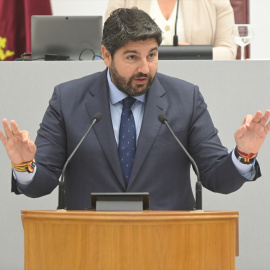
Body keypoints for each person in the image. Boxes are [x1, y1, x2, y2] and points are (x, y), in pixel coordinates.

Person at [0, 8, 269, 211]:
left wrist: (244, 154)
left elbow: (215, 178)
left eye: (151, 55)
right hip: (87, 245)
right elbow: (42, 183)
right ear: (106, 55)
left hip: (171, 247)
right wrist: (24, 165)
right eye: (132, 57)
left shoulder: (186, 99)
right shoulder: (67, 99)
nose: (145, 68)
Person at [105, 0, 237, 60]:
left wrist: (191, 53)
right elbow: (109, 43)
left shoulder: (217, 2)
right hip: (137, 80)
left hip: (198, 79)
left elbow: (228, 51)